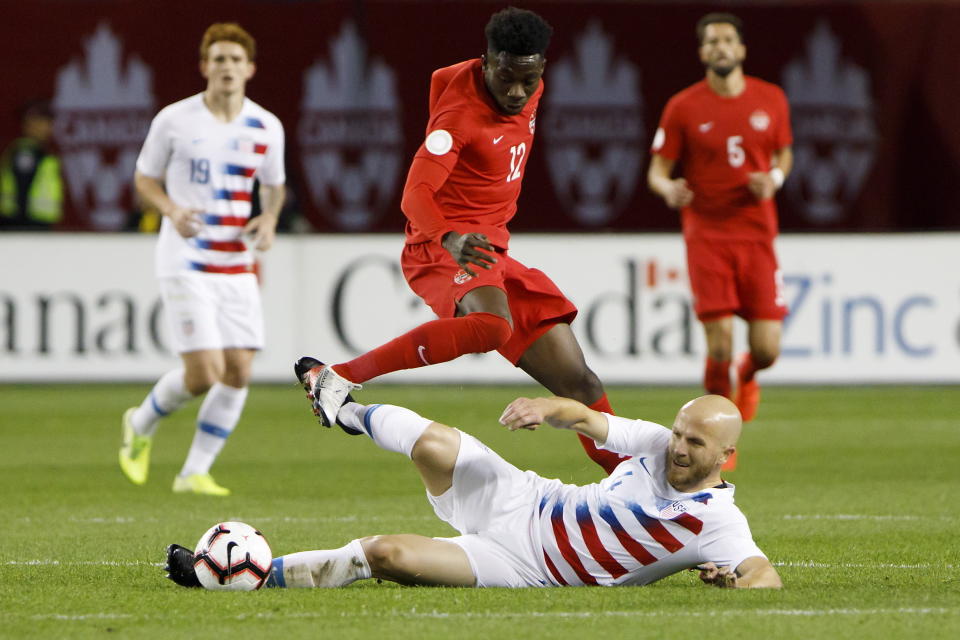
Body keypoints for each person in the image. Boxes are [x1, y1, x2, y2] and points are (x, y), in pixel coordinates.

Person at [296, 6, 623, 474]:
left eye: (526, 80)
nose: (515, 92)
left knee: (581, 383)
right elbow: (415, 194)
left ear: (542, 69)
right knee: (492, 327)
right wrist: (448, 237)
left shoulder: (525, 79)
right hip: (443, 242)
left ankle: (631, 483)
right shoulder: (456, 121)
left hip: (493, 246)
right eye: (504, 77)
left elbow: (441, 74)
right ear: (486, 62)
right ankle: (337, 377)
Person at [165, 393, 781, 589]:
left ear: (728, 457)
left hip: (523, 567)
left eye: (696, 444)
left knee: (386, 556)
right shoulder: (652, 442)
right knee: (433, 442)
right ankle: (343, 408)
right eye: (679, 433)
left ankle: (244, 576)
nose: (678, 447)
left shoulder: (717, 522)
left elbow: (764, 575)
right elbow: (592, 420)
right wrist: (549, 408)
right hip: (522, 498)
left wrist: (734, 583)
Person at [118, 23, 286, 496]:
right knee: (205, 372)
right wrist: (171, 209)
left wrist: (269, 218)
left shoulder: (266, 126)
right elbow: (144, 179)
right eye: (218, 59)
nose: (227, 67)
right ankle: (141, 422)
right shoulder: (175, 120)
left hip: (236, 262)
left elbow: (273, 185)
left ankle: (193, 472)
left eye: (235, 59)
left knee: (239, 371)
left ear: (250, 68)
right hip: (185, 258)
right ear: (204, 66)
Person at [647, 12, 793, 433]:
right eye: (712, 41)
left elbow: (784, 153)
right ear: (702, 52)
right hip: (707, 236)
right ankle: (716, 434)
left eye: (727, 39)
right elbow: (657, 170)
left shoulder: (771, 99)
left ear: (741, 48)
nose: (720, 47)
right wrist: (667, 189)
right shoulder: (683, 106)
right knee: (720, 344)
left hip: (757, 235)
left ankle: (749, 375)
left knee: (766, 349)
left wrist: (775, 179)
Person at [0, 99, 64, 229]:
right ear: (30, 124)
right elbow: (22, 187)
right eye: (44, 122)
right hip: (24, 225)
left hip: (34, 223)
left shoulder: (39, 151)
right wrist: (22, 226)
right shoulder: (26, 152)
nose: (49, 127)